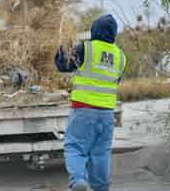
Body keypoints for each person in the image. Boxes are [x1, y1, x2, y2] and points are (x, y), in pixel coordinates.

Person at [54, 14, 126, 191]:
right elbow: (114, 81)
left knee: (75, 147)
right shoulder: (121, 57)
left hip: (84, 110)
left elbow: (64, 65)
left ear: (94, 30)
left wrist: (61, 50)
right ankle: (101, 188)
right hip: (107, 114)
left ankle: (78, 180)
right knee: (101, 154)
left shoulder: (85, 48)